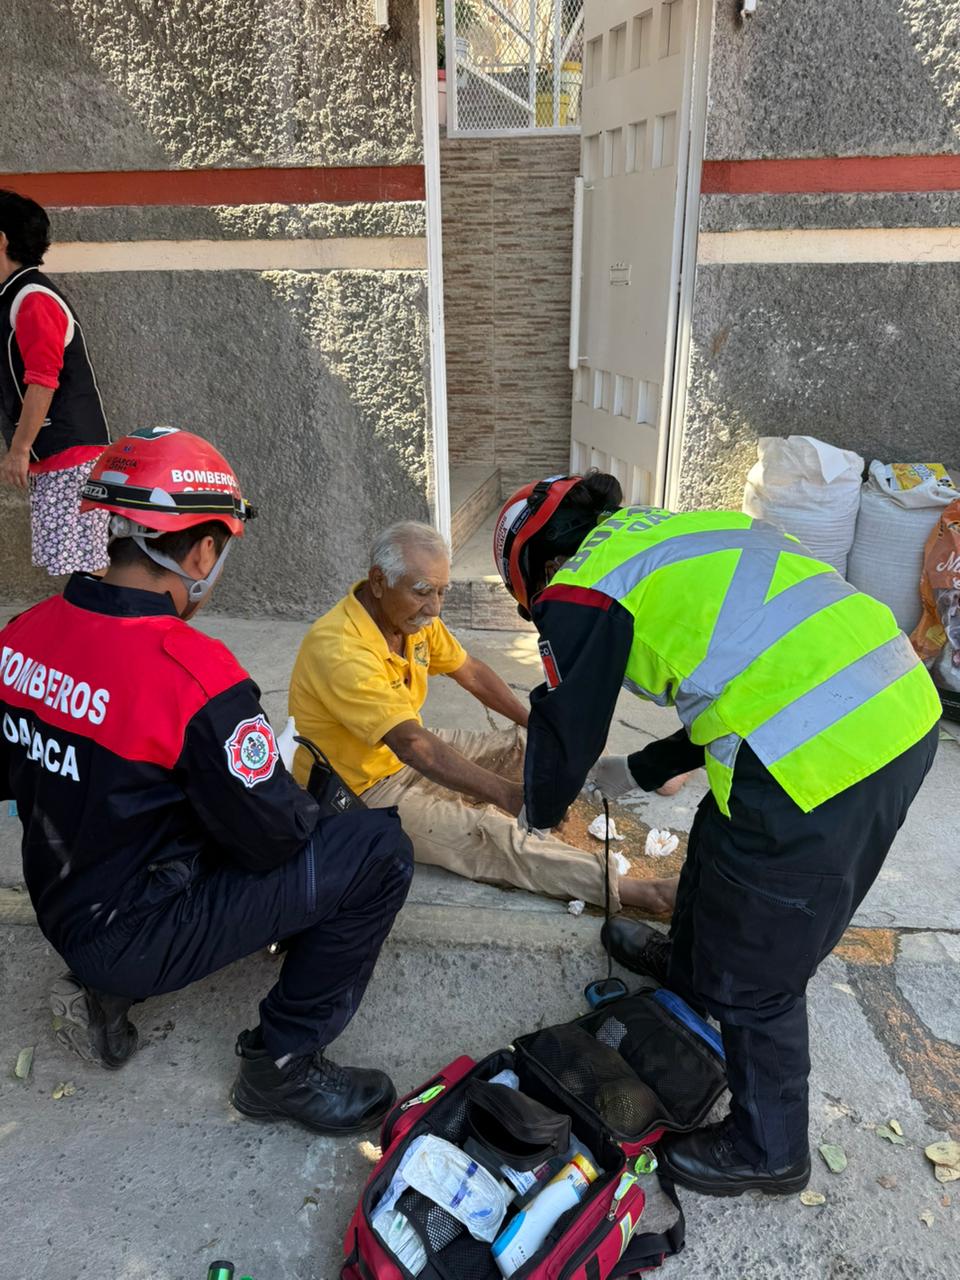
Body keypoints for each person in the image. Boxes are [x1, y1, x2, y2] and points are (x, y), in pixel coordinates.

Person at [494, 471, 940, 1196]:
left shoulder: (579, 585)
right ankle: (691, 972)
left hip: (829, 749)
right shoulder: (672, 534)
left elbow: (566, 724)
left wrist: (540, 808)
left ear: (532, 568)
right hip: (892, 706)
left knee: (760, 958)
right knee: (722, 839)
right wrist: (640, 770)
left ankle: (769, 1149)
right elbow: (749, 678)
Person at [0, 425, 413, 1135]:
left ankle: (102, 987)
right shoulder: (194, 677)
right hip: (132, 934)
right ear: (200, 553)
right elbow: (275, 839)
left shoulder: (23, 635)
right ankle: (282, 1066)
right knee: (378, 851)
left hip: (65, 908)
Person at [288, 521, 677, 915]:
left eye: (441, 592)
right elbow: (411, 746)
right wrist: (507, 796)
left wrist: (535, 725)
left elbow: (471, 672)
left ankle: (623, 774)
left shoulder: (410, 621)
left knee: (528, 745)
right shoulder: (340, 649)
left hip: (402, 755)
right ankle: (638, 891)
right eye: (422, 591)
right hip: (360, 791)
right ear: (377, 581)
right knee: (493, 834)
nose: (434, 608)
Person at [0, 190, 110, 576]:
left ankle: (104, 615)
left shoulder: (33, 299)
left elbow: (43, 381)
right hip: (56, 453)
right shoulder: (13, 295)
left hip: (70, 453)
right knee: (76, 558)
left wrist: (19, 450)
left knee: (86, 561)